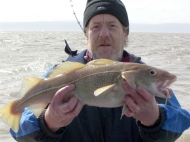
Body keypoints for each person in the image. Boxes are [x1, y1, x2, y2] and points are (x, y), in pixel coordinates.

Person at [10, 0, 190, 142]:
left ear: (125, 34)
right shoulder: (58, 74)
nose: (104, 34)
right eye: (95, 27)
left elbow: (182, 120)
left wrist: (155, 118)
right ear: (86, 34)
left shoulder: (144, 76)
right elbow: (18, 129)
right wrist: (49, 122)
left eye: (112, 26)